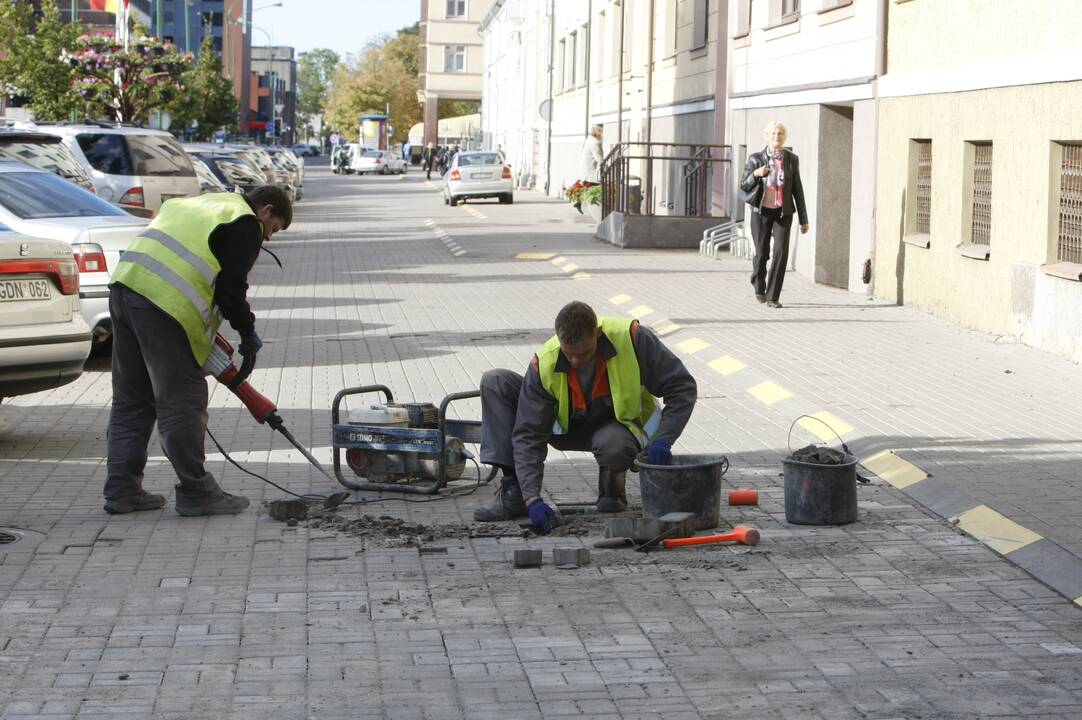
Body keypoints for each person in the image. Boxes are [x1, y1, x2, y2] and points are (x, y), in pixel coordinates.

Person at [103, 186, 293, 516]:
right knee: (183, 401)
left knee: (132, 400)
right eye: (273, 228)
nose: (269, 238)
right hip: (162, 303)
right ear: (266, 209)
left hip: (124, 288)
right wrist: (248, 334)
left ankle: (122, 491)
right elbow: (230, 291)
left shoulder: (208, 203)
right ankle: (196, 491)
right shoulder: (245, 222)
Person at [474, 301, 697, 533]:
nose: (576, 362)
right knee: (495, 381)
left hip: (616, 428)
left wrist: (663, 440)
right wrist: (533, 498)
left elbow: (681, 387)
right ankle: (515, 493)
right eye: (569, 355)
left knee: (613, 446)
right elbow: (528, 435)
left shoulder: (631, 338)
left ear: (598, 335)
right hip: (566, 427)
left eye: (584, 354)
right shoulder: (545, 363)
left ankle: (612, 487)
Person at [740, 121, 809, 308]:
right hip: (761, 212)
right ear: (767, 136)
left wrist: (804, 219)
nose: (776, 136)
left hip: (783, 212)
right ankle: (758, 284)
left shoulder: (792, 159)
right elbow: (744, 186)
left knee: (780, 253)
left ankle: (773, 297)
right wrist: (756, 173)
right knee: (762, 253)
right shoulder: (755, 158)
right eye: (773, 134)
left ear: (784, 137)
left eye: (780, 134)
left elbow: (797, 190)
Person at [575, 124, 604, 213]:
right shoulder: (595, 143)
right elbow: (599, 158)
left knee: (587, 188)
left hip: (585, 171)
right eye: (601, 131)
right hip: (591, 172)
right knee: (598, 192)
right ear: (598, 132)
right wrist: (605, 164)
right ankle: (597, 211)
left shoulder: (588, 140)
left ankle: (579, 202)